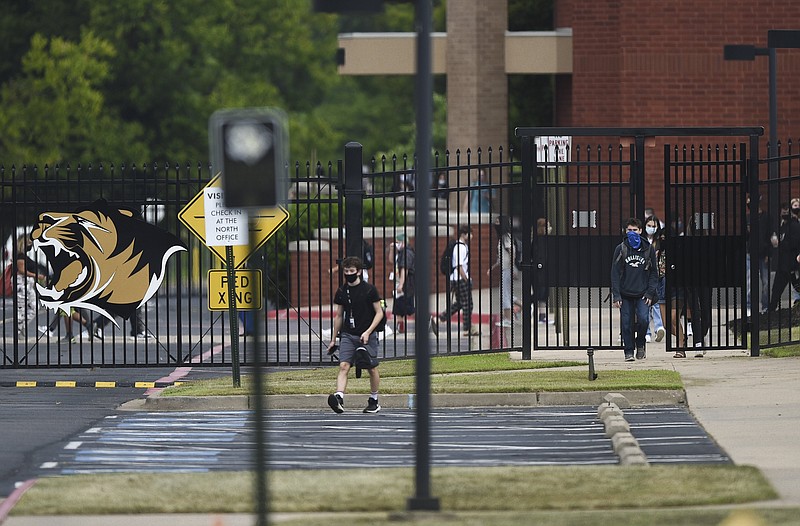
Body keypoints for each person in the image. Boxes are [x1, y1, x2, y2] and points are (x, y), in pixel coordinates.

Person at [326, 256, 383, 414]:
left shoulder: (369, 290)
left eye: (352, 271)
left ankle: (374, 400)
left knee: (371, 368)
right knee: (344, 366)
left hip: (367, 334)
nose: (349, 274)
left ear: (358, 271)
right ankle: (339, 398)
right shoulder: (342, 291)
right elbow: (339, 316)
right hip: (348, 334)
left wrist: (368, 331)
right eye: (346, 271)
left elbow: (379, 313)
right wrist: (333, 339)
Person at [610, 218, 658, 362]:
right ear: (625, 231)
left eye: (635, 230)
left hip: (642, 293)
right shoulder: (621, 248)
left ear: (640, 231)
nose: (632, 233)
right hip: (625, 294)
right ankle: (628, 351)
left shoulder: (648, 249)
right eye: (629, 230)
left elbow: (654, 273)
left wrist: (650, 292)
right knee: (626, 323)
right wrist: (616, 295)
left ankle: (640, 343)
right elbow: (615, 272)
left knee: (643, 320)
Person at [431, 225, 479, 337]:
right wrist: (466, 279)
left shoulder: (462, 246)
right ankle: (467, 329)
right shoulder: (460, 247)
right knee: (467, 304)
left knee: (460, 304)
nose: (471, 236)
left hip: (457, 278)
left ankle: (438, 319)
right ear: (464, 234)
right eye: (469, 233)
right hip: (459, 279)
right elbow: (458, 265)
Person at [768, 202, 800, 313]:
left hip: (793, 264)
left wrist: (780, 243)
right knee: (776, 289)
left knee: (797, 287)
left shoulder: (794, 226)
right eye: (783, 211)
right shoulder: (782, 226)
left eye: (787, 212)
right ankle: (771, 309)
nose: (784, 213)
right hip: (783, 264)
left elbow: (794, 243)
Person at [745, 195, 774, 315]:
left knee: (766, 282)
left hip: (763, 253)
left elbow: (770, 235)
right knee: (749, 282)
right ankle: (749, 306)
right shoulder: (747, 218)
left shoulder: (766, 217)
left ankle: (765, 306)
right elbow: (745, 237)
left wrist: (769, 254)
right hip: (750, 253)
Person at [487, 216, 517, 328]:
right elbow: (502, 257)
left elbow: (511, 252)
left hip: (507, 269)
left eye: (498, 221)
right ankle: (517, 312)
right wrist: (493, 267)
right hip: (505, 268)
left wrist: (512, 268)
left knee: (504, 294)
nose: (496, 223)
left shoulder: (505, 237)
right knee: (507, 293)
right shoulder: (503, 237)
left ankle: (508, 319)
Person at [14, 236, 44, 337]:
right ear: (24, 243)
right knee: (21, 309)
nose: (31, 245)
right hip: (22, 284)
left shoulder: (23, 256)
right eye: (29, 243)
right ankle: (18, 331)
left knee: (34, 307)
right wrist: (37, 276)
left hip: (28, 284)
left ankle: (21, 327)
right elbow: (22, 270)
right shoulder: (21, 256)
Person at [643, 215, 667, 343]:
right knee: (645, 302)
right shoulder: (642, 240)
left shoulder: (659, 241)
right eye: (649, 225)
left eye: (654, 226)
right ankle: (647, 331)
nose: (651, 228)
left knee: (656, 302)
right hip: (643, 275)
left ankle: (659, 327)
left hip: (656, 275)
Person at [390, 233, 416, 334]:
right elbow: (391, 260)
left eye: (398, 242)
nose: (396, 244)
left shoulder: (407, 253)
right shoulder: (400, 253)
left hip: (406, 284)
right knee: (398, 306)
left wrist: (401, 284)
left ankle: (426, 319)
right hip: (398, 282)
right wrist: (392, 249)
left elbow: (405, 269)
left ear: (403, 242)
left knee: (406, 306)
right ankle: (401, 326)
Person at [533, 218, 554, 324]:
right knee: (541, 294)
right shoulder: (540, 240)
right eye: (548, 226)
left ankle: (542, 316)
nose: (550, 228)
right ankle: (540, 315)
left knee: (543, 295)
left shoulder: (541, 240)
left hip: (543, 271)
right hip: (541, 272)